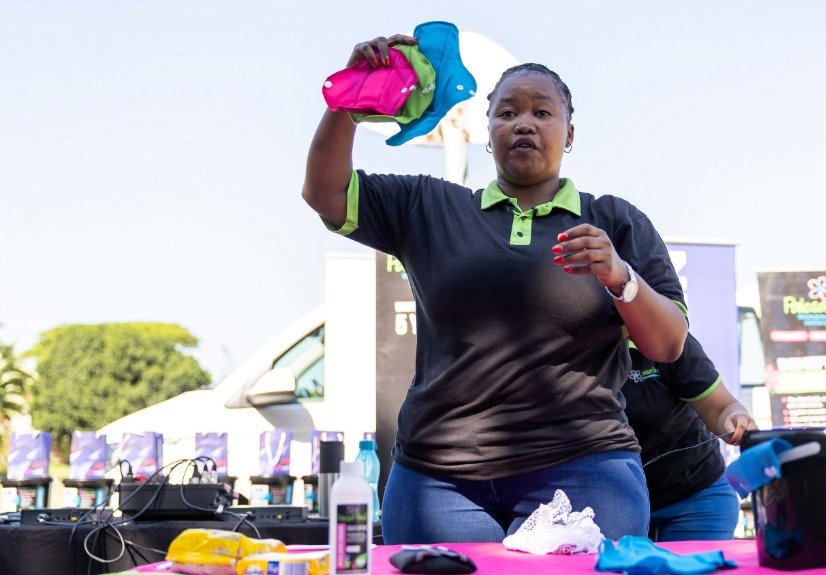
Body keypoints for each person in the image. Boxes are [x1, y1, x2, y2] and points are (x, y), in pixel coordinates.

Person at [302, 34, 690, 544]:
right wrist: (350, 100)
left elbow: (668, 345)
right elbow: (324, 192)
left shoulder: (614, 221)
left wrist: (620, 276)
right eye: (506, 112)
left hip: (586, 470)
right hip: (438, 480)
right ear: (487, 131)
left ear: (569, 133)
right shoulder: (429, 207)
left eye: (542, 112)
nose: (524, 123)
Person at [622, 334, 757, 541]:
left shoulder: (663, 332)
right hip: (615, 502)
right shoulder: (575, 345)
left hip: (696, 496)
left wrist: (736, 418)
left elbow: (722, 407)